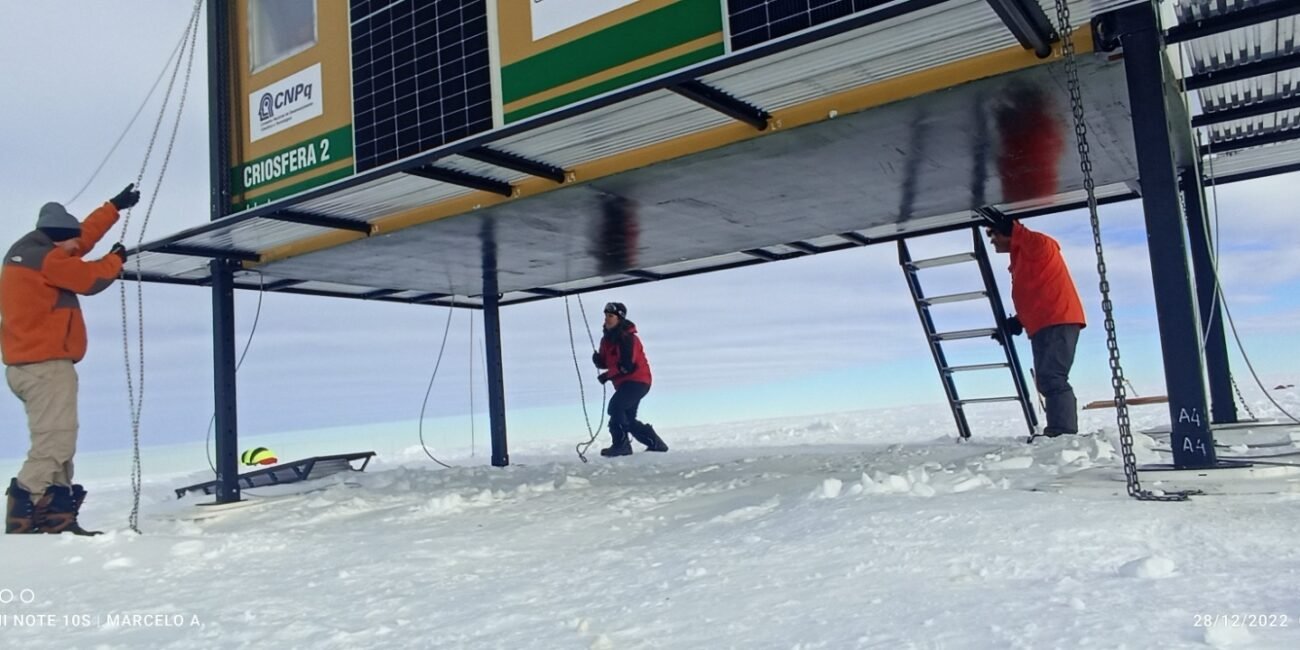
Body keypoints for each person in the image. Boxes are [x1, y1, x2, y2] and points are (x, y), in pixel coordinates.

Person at [3, 184, 139, 535]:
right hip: (45, 367)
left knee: (60, 439)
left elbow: (81, 239)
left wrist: (114, 208)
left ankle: (56, 516)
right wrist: (116, 260)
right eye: (71, 245)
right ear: (58, 240)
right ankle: (23, 512)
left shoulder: (34, 250)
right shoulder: (50, 260)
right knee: (56, 441)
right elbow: (90, 278)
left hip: (29, 366)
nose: (77, 249)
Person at [987, 219, 1086, 438]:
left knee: (1053, 377)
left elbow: (1028, 238)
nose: (992, 241)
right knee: (1047, 378)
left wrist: (1012, 227)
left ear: (1008, 232)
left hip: (1056, 320)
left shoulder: (1038, 245)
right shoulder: (1023, 259)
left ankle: (1063, 433)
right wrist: (1018, 322)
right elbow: (1038, 294)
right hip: (1045, 322)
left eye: (994, 234)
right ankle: (1060, 431)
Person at [591, 302, 667, 457]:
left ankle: (622, 446)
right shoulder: (606, 340)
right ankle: (656, 444)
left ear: (620, 318)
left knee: (615, 408)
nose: (606, 319)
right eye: (606, 316)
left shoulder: (628, 338)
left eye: (610, 316)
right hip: (626, 384)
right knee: (627, 418)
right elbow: (607, 362)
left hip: (638, 381)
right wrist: (598, 361)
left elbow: (628, 366)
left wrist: (606, 376)